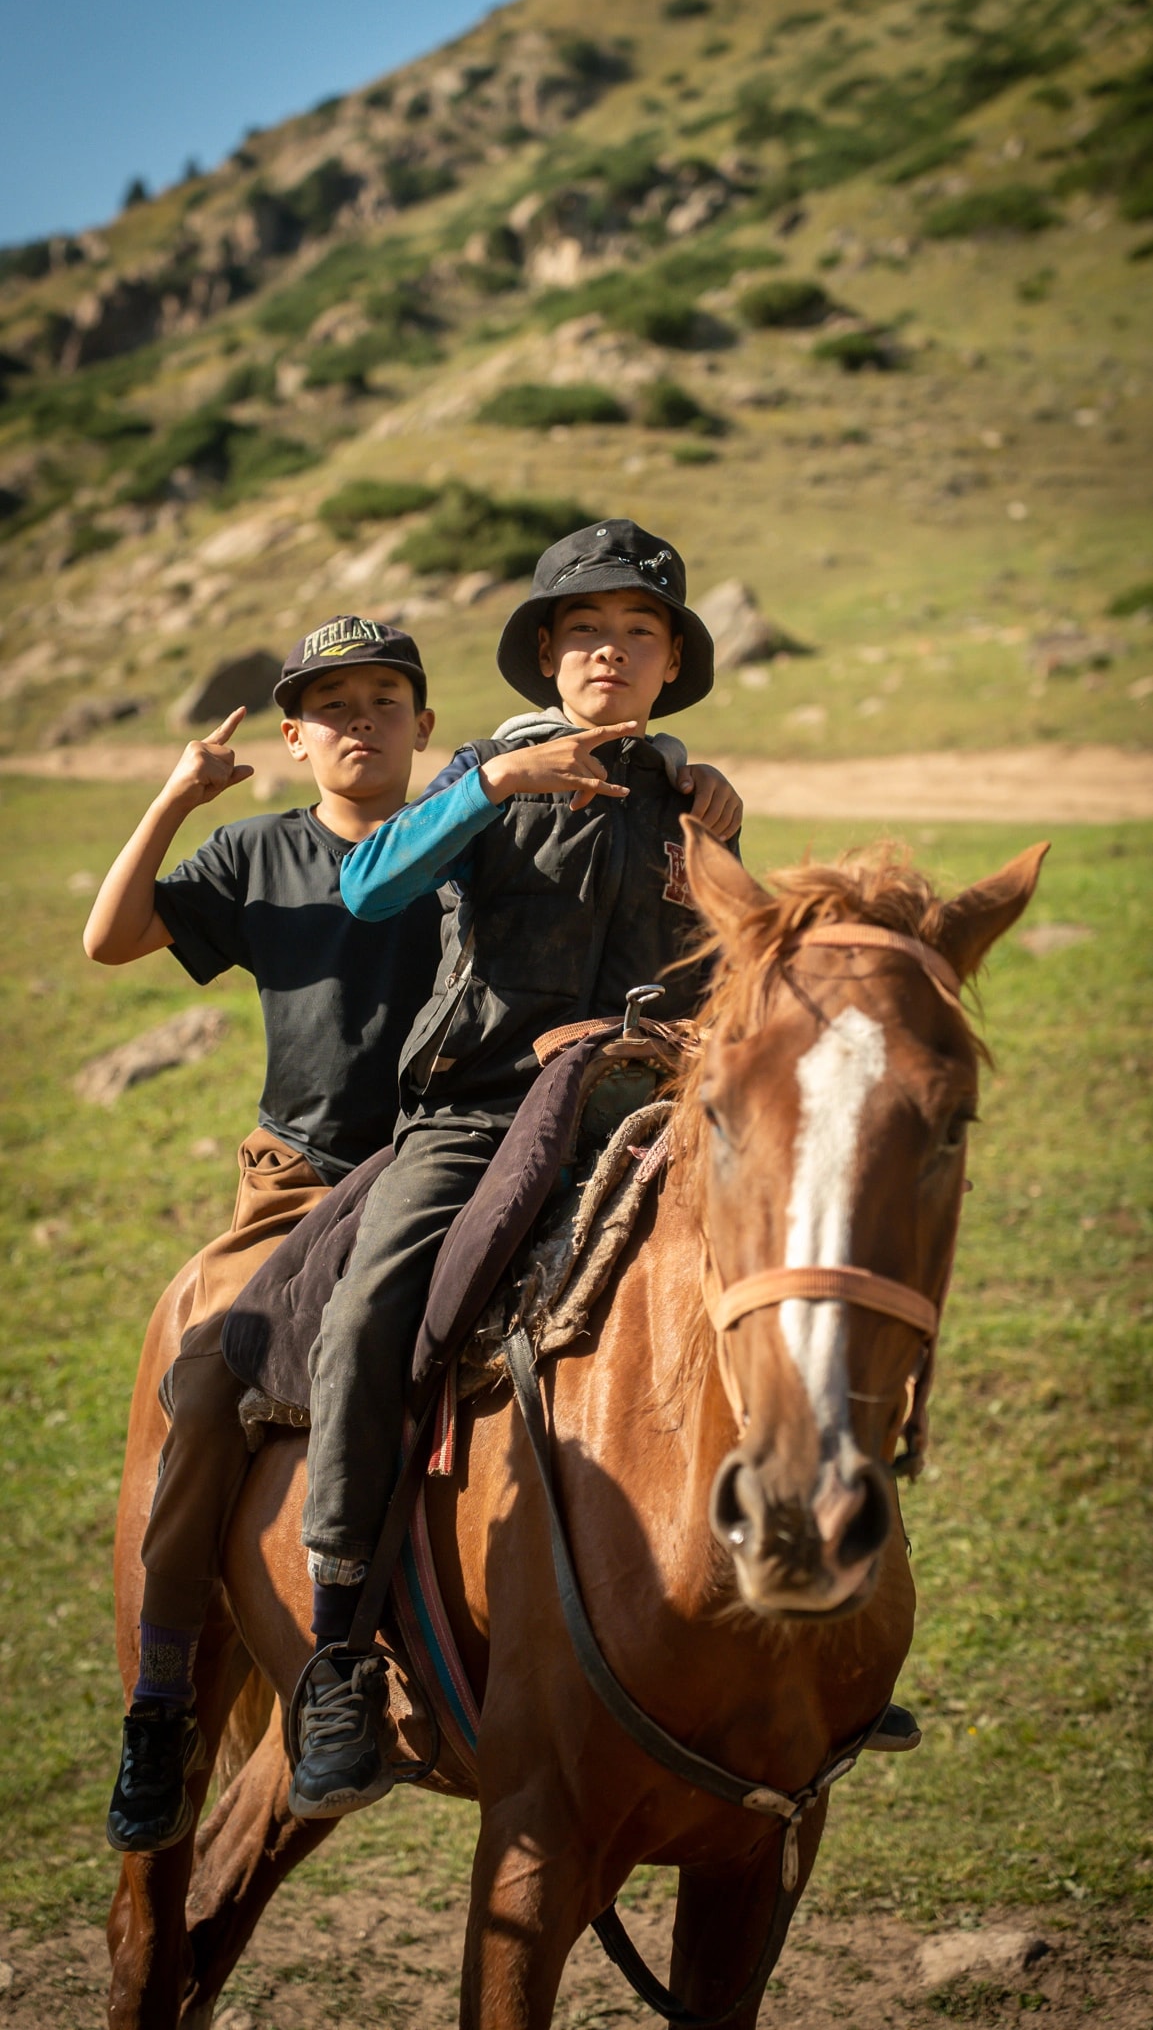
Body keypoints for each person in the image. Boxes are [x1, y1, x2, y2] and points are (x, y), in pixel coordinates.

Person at [291, 518, 745, 1819]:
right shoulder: (481, 774)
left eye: (637, 630)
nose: (610, 649)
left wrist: (719, 833)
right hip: (476, 1115)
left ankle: (800, 1618)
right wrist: (490, 790)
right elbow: (372, 887)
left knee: (794, 1286)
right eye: (585, 629)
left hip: (642, 1116)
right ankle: (337, 1653)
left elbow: (735, 966)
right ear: (548, 654)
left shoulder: (686, 799)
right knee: (371, 1315)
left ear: (669, 662)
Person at [85, 617, 444, 1854]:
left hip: (452, 1167)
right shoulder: (257, 855)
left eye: (383, 697)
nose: (359, 720)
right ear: (293, 738)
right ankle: (163, 1700)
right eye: (330, 705)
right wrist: (178, 796)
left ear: (422, 724)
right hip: (299, 1185)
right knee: (207, 1381)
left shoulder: (467, 839)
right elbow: (109, 937)